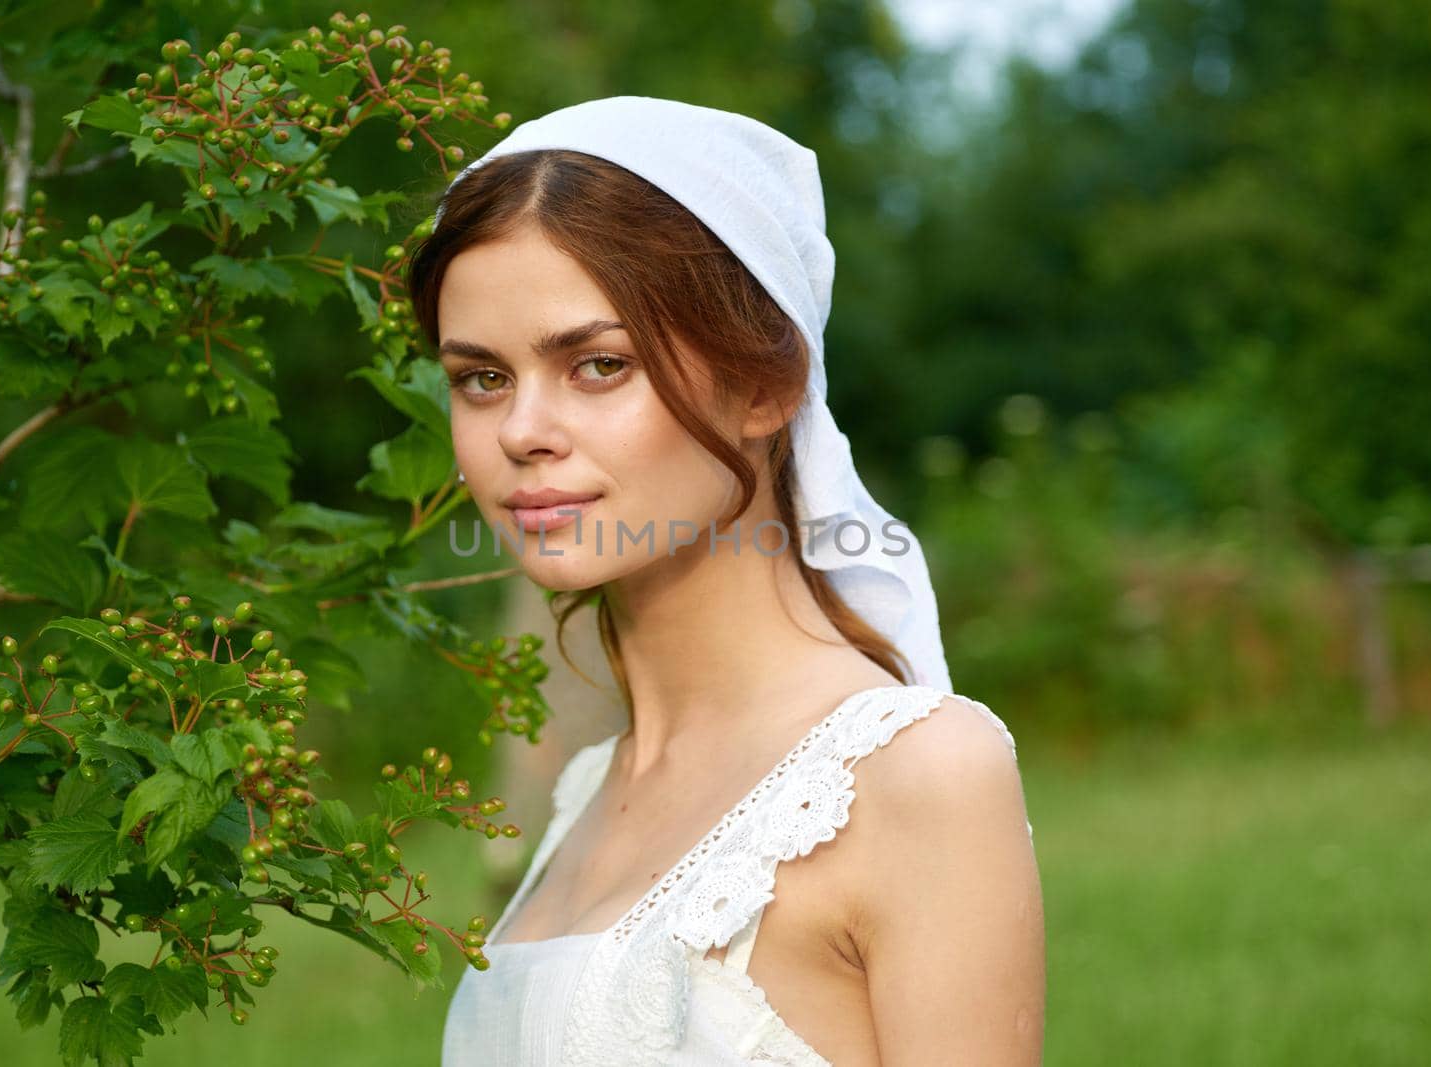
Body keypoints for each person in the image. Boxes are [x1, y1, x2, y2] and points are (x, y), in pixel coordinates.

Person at [412, 96, 1044, 1066]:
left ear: (765, 382)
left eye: (596, 363)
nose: (519, 430)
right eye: (481, 377)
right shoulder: (585, 791)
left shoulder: (912, 775)